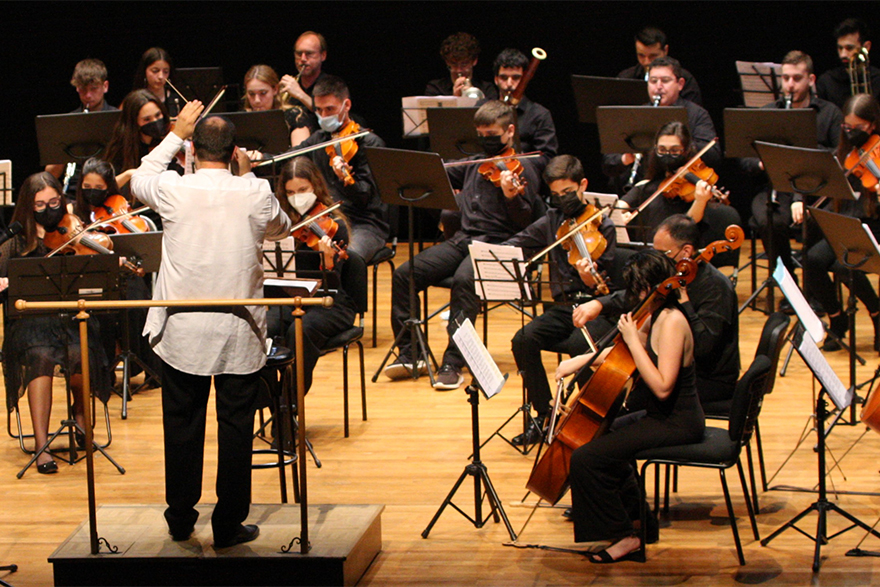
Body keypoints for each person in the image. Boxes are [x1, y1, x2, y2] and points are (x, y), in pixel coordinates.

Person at [130, 101, 292, 547]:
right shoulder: (256, 191)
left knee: (182, 426)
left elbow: (140, 177)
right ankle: (227, 525)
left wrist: (174, 134)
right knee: (236, 428)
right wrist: (248, 176)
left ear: (193, 151)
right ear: (234, 151)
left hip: (183, 332)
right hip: (238, 332)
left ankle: (181, 518)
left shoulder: (173, 189)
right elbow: (281, 228)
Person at [384, 100, 546, 390]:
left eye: (492, 135)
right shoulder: (476, 162)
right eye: (480, 135)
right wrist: (414, 169)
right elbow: (439, 173)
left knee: (464, 280)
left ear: (510, 131)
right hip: (463, 240)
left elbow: (526, 221)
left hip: (498, 246)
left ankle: (453, 362)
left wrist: (511, 196)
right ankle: (411, 353)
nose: (486, 141)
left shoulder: (526, 168)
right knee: (405, 273)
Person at [556, 248, 704, 563]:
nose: (633, 297)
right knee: (601, 437)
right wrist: (578, 361)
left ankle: (626, 538)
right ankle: (641, 524)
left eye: (636, 289)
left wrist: (634, 341)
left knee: (586, 458)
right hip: (659, 416)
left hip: (677, 421)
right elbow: (619, 353)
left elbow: (663, 387)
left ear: (649, 286)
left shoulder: (672, 321)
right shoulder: (655, 315)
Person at [0, 173, 113, 474]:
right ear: (28, 206)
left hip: (70, 316)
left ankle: (80, 414)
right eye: (40, 205)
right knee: (41, 356)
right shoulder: (15, 241)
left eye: (54, 202)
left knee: (80, 349)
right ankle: (42, 445)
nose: (49, 209)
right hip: (31, 321)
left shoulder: (72, 229)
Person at [506, 155, 617, 445]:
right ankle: (545, 417)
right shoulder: (553, 220)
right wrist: (497, 252)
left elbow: (609, 286)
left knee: (580, 345)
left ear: (583, 185)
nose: (562, 200)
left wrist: (589, 277)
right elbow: (517, 242)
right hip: (564, 307)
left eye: (567, 192)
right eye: (556, 195)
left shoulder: (604, 225)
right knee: (523, 339)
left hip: (597, 309)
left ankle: (590, 423)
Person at [578, 214, 740, 405]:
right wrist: (601, 303)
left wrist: (685, 303)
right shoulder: (672, 276)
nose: (657, 258)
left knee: (629, 398)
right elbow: (643, 294)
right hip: (675, 366)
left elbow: (704, 347)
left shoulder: (716, 287)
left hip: (709, 378)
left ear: (686, 251)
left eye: (662, 252)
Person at [747, 51, 843, 283]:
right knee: (768, 221)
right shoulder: (769, 112)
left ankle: (816, 287)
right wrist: (761, 162)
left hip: (816, 189)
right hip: (776, 188)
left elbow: (839, 154)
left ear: (811, 80)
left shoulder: (830, 113)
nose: (790, 85)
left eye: (797, 78)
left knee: (817, 221)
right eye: (786, 78)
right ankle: (788, 281)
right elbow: (744, 157)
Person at [266, 156, 358, 396]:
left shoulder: (334, 225)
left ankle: (289, 402)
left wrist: (327, 263)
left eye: (303, 190)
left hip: (330, 304)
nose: (297, 197)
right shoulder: (282, 226)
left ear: (315, 187)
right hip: (291, 299)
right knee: (264, 327)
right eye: (290, 192)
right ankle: (268, 398)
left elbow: (334, 286)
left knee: (301, 330)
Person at [804, 93, 880, 351]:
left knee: (843, 263)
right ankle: (837, 318)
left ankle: (876, 312)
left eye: (858, 127)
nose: (851, 132)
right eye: (847, 127)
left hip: (874, 224)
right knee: (812, 260)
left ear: (872, 125)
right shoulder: (845, 153)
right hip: (849, 223)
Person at [289, 75, 389, 262]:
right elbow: (290, 156)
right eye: (319, 110)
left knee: (347, 258)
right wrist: (262, 158)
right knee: (296, 254)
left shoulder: (369, 143)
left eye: (330, 109)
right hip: (328, 220)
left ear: (346, 105)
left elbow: (365, 198)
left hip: (364, 224)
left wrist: (346, 180)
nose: (324, 116)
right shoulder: (319, 139)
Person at [603, 57, 720, 195]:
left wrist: (682, 145)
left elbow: (713, 156)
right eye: (653, 81)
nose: (658, 86)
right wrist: (626, 158)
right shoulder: (635, 115)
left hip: (681, 189)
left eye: (665, 81)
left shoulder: (696, 114)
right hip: (642, 188)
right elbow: (608, 163)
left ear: (680, 84)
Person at [616, 121, 716, 243]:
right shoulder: (648, 186)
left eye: (675, 150)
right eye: (662, 149)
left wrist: (700, 201)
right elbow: (619, 205)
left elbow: (688, 224)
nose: (667, 154)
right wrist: (619, 216)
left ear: (686, 150)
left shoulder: (692, 188)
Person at [45, 59, 117, 193]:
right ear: (77, 88)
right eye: (83, 89)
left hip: (109, 188)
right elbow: (51, 174)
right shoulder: (69, 121)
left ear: (105, 86)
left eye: (94, 89)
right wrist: (63, 150)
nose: (88, 95)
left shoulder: (118, 119)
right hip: (75, 191)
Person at [104, 89, 183, 194]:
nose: (155, 122)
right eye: (147, 119)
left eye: (158, 115)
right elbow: (105, 187)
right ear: (134, 122)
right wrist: (127, 174)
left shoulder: (168, 140)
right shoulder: (122, 148)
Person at [491, 48, 558, 166]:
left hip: (523, 173)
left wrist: (516, 162)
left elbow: (547, 157)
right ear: (496, 79)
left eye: (516, 78)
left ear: (525, 79)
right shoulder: (482, 108)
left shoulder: (539, 114)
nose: (509, 84)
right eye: (504, 78)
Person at [617, 26, 703, 105]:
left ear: (665, 50)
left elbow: (691, 112)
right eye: (641, 55)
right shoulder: (625, 77)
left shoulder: (686, 79)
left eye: (653, 56)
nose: (646, 62)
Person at [817, 18, 880, 109]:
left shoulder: (877, 79)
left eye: (849, 48)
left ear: (866, 47)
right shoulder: (827, 81)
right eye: (840, 48)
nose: (843, 55)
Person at [279, 31, 329, 144]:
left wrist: (299, 94)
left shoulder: (331, 85)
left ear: (323, 55)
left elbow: (329, 115)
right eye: (299, 53)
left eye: (309, 54)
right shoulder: (289, 85)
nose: (303, 59)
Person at [424, 32, 497, 100]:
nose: (459, 70)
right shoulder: (435, 88)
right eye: (454, 64)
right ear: (447, 62)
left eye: (464, 64)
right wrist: (455, 99)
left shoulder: (487, 89)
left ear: (474, 61)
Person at [132, 47, 180, 117]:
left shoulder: (177, 98)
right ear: (144, 71)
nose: (161, 76)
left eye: (165, 72)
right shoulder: (134, 101)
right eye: (155, 71)